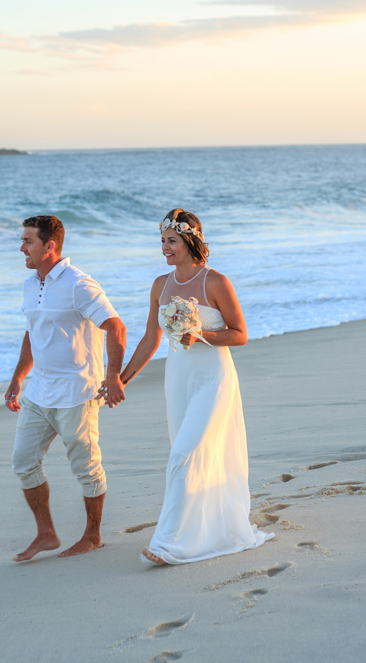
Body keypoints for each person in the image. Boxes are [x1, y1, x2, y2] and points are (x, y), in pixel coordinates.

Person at [118, 208, 272, 565]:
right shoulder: (160, 284)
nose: (164, 248)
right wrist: (121, 379)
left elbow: (241, 335)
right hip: (179, 380)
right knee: (190, 456)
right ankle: (207, 531)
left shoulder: (215, 282)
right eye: (162, 241)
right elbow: (150, 340)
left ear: (190, 241)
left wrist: (198, 333)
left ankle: (167, 544)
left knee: (182, 455)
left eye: (171, 241)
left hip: (213, 379)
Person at [5, 215, 126, 561]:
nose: (22, 247)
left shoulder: (78, 284)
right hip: (39, 392)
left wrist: (113, 375)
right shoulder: (31, 284)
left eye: (28, 241)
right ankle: (46, 533)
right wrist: (18, 377)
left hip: (77, 392)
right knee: (23, 462)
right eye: (23, 240)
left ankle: (92, 535)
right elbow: (33, 332)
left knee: (86, 467)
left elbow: (115, 327)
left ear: (50, 246)